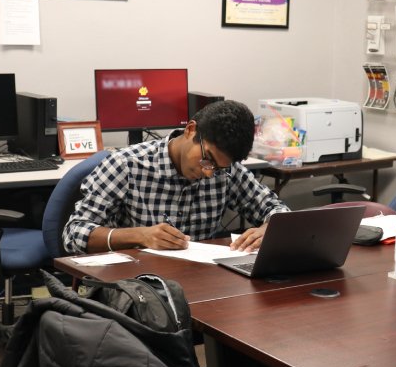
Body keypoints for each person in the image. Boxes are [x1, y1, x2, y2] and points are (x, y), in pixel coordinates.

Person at [63, 100, 289, 255]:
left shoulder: (226, 171)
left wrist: (269, 229)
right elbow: (73, 234)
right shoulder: (126, 165)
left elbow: (276, 209)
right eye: (207, 159)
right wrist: (139, 235)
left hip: (200, 279)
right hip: (137, 285)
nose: (209, 172)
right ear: (191, 130)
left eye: (218, 168)